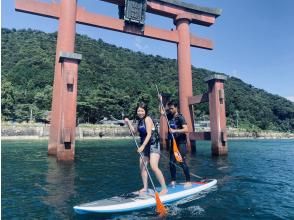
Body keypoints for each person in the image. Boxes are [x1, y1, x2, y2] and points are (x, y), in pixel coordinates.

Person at [124, 102, 168, 195]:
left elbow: (149, 134)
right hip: (144, 145)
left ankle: (164, 188)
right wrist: (128, 122)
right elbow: (134, 131)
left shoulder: (147, 119)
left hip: (153, 144)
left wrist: (142, 146)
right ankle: (145, 187)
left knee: (153, 166)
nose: (140, 112)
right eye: (139, 110)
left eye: (142, 111)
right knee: (142, 167)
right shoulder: (139, 120)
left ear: (145, 111)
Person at [160, 99, 191, 188]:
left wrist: (175, 130)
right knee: (171, 163)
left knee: (181, 162)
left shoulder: (180, 117)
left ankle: (188, 181)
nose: (170, 110)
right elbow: (161, 112)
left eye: (172, 108)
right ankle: (173, 181)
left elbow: (186, 129)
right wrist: (160, 100)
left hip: (181, 142)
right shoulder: (169, 116)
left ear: (176, 108)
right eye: (169, 109)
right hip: (173, 142)